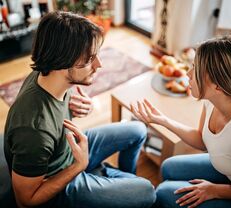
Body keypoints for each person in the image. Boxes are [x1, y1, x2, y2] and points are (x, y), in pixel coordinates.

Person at [4, 11, 156, 208]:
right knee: (148, 191)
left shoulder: (45, 74)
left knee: (138, 130)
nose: (98, 64)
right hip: (58, 180)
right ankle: (105, 177)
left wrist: (76, 107)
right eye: (89, 58)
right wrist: (79, 166)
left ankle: (114, 181)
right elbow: (25, 201)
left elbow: (53, 110)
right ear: (63, 60)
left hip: (68, 151)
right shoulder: (35, 130)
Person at [131, 36, 231, 208]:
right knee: (168, 167)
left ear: (218, 86)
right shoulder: (212, 100)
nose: (188, 73)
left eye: (195, 68)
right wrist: (162, 120)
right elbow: (202, 140)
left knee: (164, 193)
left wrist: (215, 190)